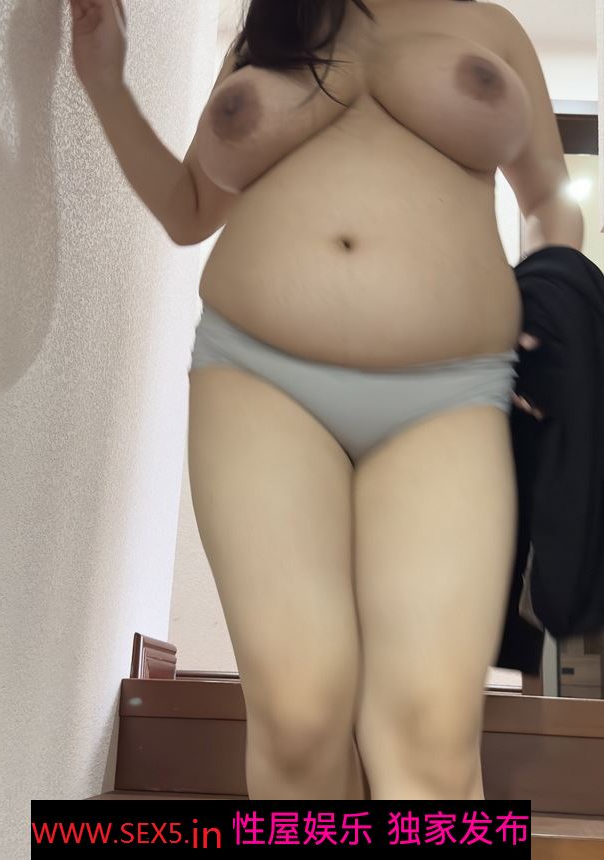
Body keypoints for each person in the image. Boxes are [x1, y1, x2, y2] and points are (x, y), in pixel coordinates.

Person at [69, 0, 583, 799]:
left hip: (451, 397)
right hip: (258, 383)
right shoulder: (275, 22)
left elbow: (549, 197)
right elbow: (188, 209)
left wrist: (549, 296)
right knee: (297, 720)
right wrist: (104, 82)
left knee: (431, 739)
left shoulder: (490, 26)